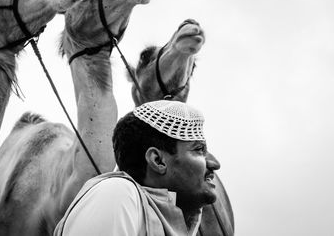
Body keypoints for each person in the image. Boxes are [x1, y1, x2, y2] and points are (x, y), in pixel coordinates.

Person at [54, 100, 221, 236]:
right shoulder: (117, 192)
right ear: (158, 160)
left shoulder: (174, 219)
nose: (214, 164)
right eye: (199, 150)